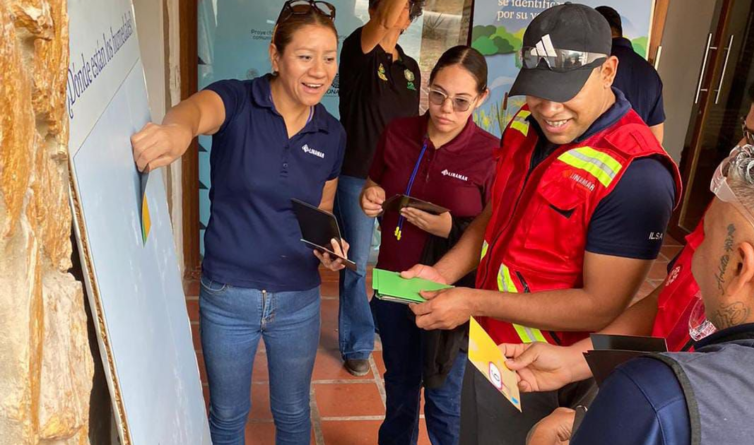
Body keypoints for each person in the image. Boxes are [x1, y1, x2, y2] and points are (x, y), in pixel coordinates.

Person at [401, 4, 681, 444]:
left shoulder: (638, 175)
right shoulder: (524, 126)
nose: (549, 109)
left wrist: (472, 301)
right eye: (537, 91)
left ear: (608, 72)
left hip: (547, 368)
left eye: (564, 91)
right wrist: (444, 274)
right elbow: (496, 218)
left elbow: (600, 305)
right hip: (490, 341)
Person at [502, 51, 754, 444]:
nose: (738, 155)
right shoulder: (733, 208)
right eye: (743, 135)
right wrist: (575, 361)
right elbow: (671, 300)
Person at [131, 2, 348, 443]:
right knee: (227, 416)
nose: (319, 71)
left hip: (297, 301)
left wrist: (328, 249)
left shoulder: (332, 134)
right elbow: (194, 110)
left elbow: (321, 212)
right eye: (305, 56)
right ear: (275, 56)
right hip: (229, 297)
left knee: (292, 414)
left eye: (329, 57)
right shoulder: (238, 99)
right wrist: (176, 131)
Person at [569, 143, 754, 445]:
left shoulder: (656, 396)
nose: (694, 253)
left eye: (705, 236)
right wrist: (571, 360)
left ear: (740, 267)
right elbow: (661, 318)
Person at [360, 45, 498, 445]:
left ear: (482, 98)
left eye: (460, 102)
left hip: (449, 295)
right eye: (437, 94)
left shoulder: (490, 153)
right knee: (400, 385)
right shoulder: (399, 132)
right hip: (394, 282)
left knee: (444, 399)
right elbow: (376, 184)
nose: (445, 110)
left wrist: (450, 228)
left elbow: (494, 233)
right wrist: (370, 196)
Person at [335, 0, 424, 377]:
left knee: (396, 261)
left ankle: (379, 319)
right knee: (355, 264)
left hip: (397, 182)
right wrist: (388, 12)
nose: (402, 14)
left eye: (409, 8)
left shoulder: (410, 68)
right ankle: (356, 342)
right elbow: (384, 20)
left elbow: (412, 131)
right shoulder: (360, 49)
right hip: (357, 175)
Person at [595, 5, 666, 143]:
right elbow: (656, 136)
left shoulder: (595, 66)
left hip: (594, 157)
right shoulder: (650, 73)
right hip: (634, 158)